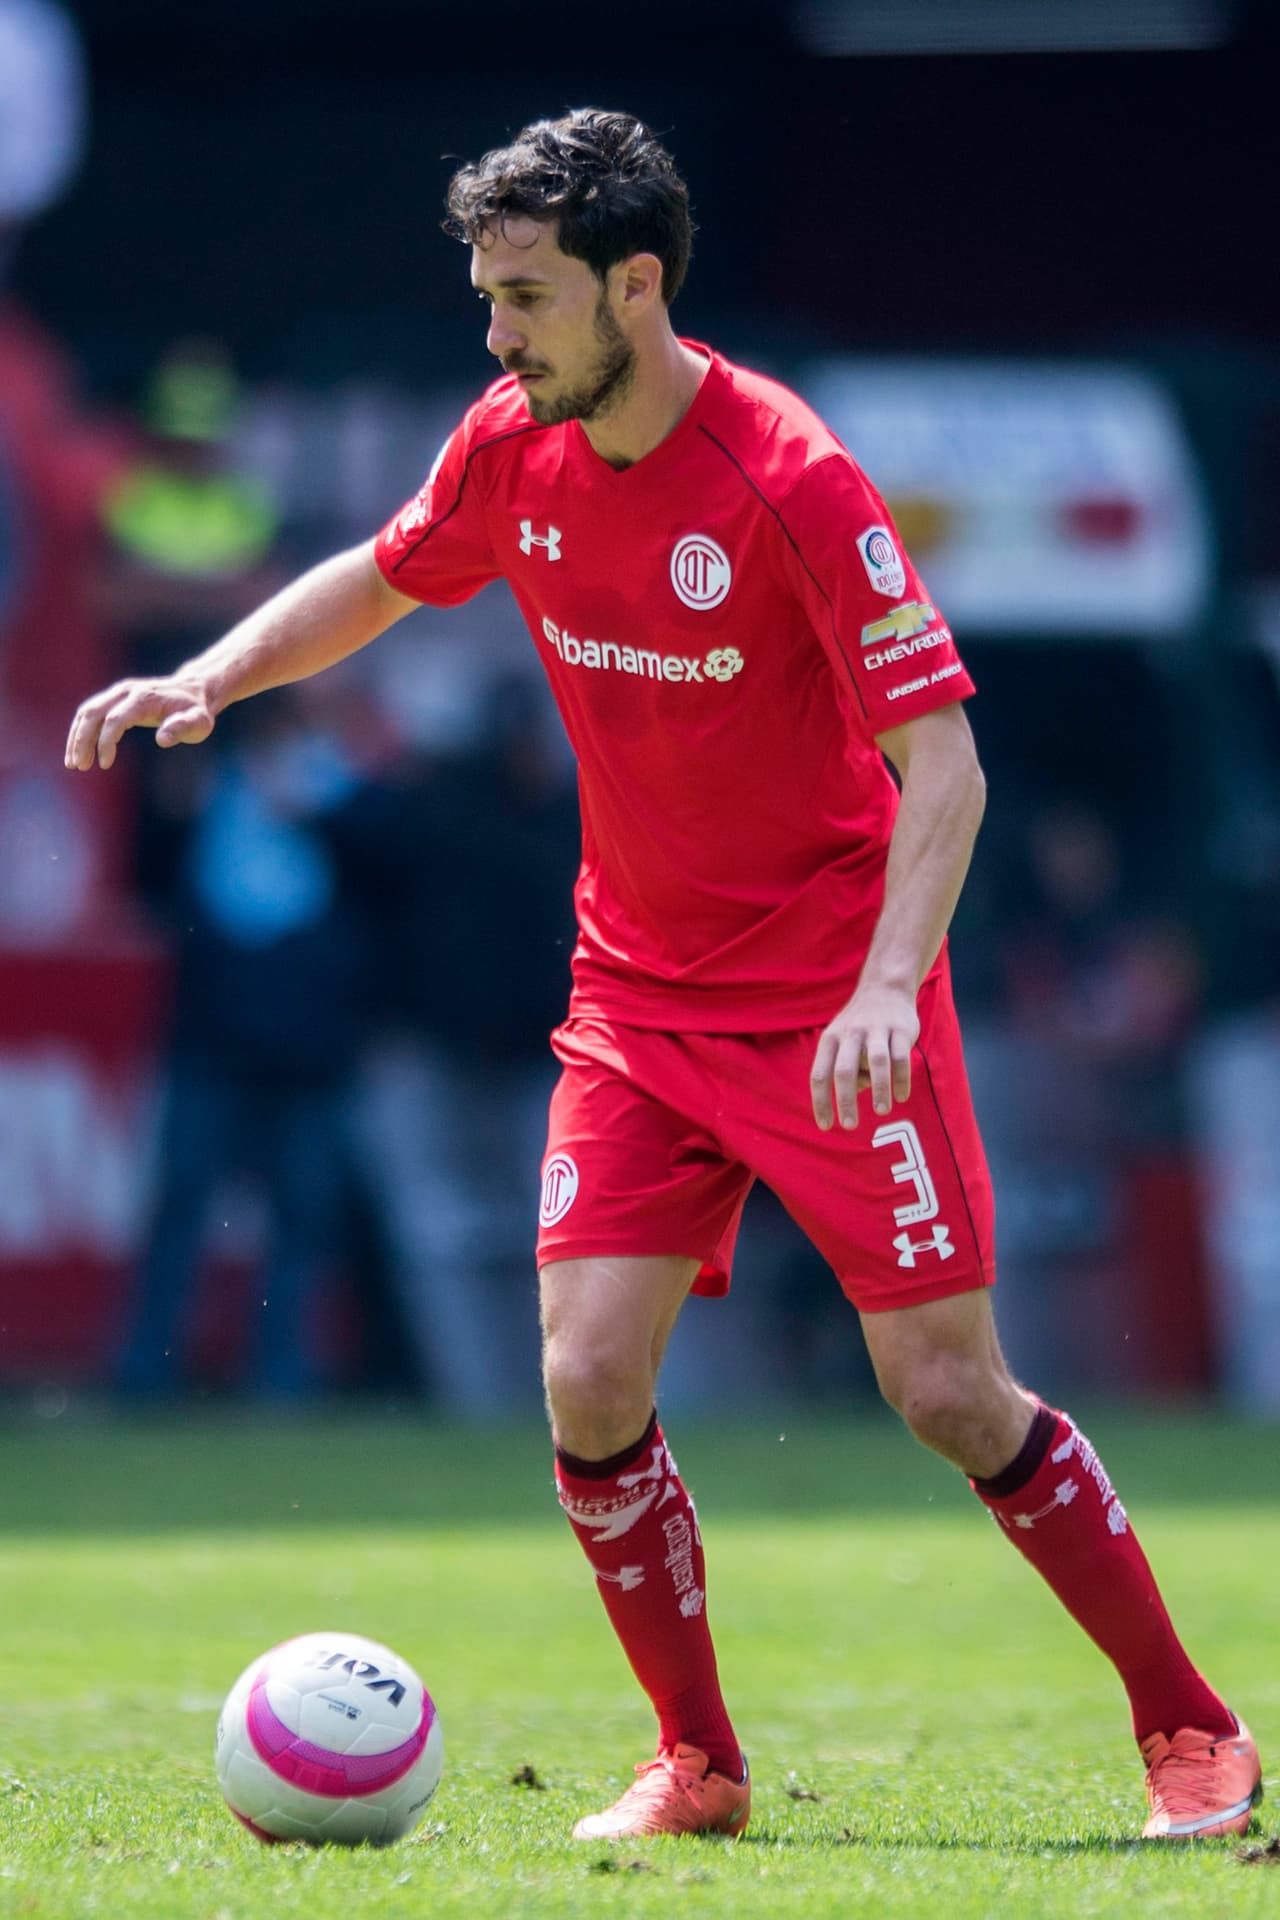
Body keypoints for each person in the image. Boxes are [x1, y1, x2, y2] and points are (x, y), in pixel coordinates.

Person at [64, 109, 1261, 1845]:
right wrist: (214, 677)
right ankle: (696, 1766)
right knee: (587, 1378)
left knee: (944, 1394)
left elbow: (949, 770)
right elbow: (385, 579)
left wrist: (881, 988)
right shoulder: (511, 442)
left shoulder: (793, 478)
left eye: (527, 299)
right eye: (486, 296)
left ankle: (1193, 1733)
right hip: (638, 1001)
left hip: (835, 999)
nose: (497, 334)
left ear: (637, 286)